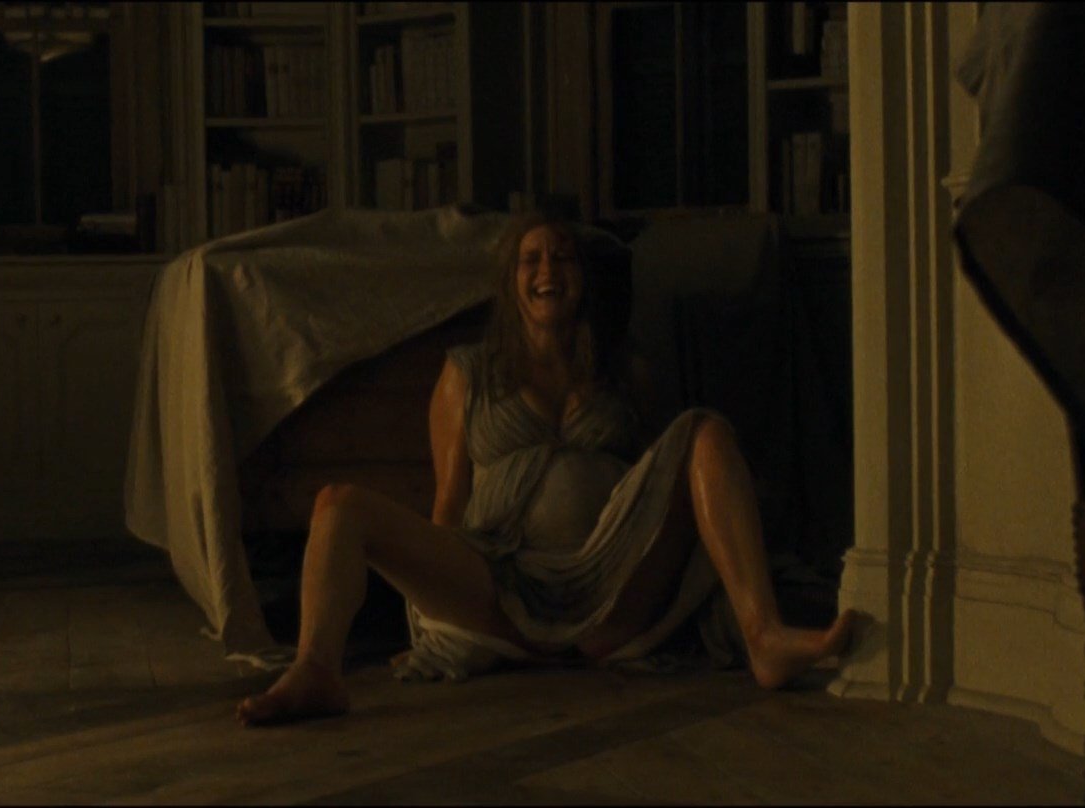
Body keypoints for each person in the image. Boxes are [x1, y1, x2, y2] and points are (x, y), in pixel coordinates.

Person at [236, 213, 860, 726]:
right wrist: (435, 618)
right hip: (501, 579)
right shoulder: (467, 373)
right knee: (338, 503)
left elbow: (660, 489)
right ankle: (316, 671)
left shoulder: (626, 371)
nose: (547, 271)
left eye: (562, 258)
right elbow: (450, 500)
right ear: (510, 282)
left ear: (582, 279)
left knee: (707, 430)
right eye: (530, 259)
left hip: (609, 586)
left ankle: (762, 633)